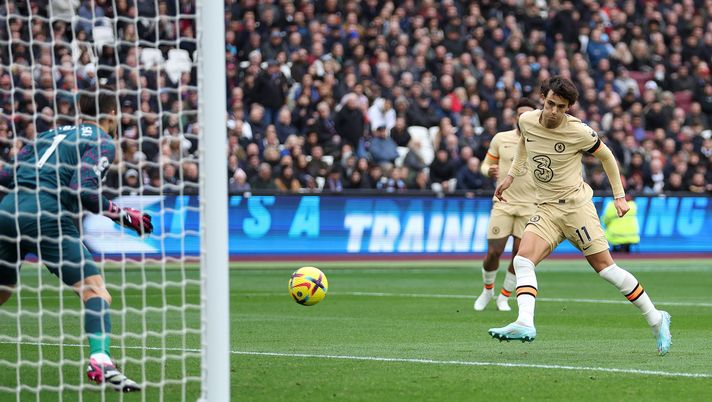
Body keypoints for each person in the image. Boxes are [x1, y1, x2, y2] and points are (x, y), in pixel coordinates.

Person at [488, 77, 671, 356]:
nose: (553, 112)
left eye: (561, 107)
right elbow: (524, 145)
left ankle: (657, 319)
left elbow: (607, 157)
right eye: (550, 104)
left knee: (607, 270)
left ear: (569, 108)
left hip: (577, 209)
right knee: (523, 260)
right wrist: (511, 176)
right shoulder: (527, 121)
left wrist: (619, 196)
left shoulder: (580, 132)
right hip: (547, 208)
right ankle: (525, 322)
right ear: (542, 98)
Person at [0, 91, 151, 391]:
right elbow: (82, 189)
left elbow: (6, 174)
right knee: (95, 291)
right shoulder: (101, 140)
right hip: (47, 217)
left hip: (7, 212)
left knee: (2, 293)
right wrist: (122, 215)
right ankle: (100, 360)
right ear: (111, 115)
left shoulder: (49, 135)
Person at [473, 99, 537, 312]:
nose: (523, 118)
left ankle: (504, 297)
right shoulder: (501, 138)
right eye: (520, 114)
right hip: (503, 203)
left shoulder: (541, 141)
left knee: (520, 256)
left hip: (530, 206)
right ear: (514, 117)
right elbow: (485, 164)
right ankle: (487, 290)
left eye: (528, 114)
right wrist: (487, 171)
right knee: (494, 252)